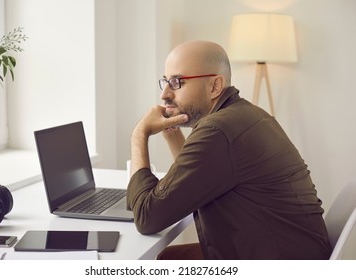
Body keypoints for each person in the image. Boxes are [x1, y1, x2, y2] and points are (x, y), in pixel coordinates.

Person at [126, 40, 332, 260]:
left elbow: (147, 218)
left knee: (153, 263)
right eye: (165, 81)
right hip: (291, 253)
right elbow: (193, 180)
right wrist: (172, 132)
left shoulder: (217, 131)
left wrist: (139, 134)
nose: (165, 94)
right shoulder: (244, 114)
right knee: (166, 258)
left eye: (177, 82)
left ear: (215, 86)